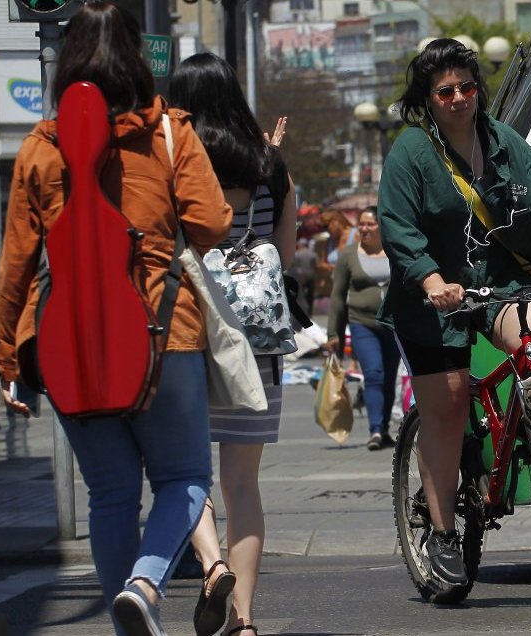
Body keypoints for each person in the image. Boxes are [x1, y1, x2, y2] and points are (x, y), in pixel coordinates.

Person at [0, 4, 233, 636]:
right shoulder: (169, 134)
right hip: (164, 331)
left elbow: (16, 264)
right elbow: (211, 225)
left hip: (65, 340)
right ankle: (147, 582)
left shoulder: (38, 150)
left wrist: (7, 360)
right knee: (183, 477)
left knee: (110, 494)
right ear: (135, 57)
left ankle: (129, 620)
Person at [376, 38, 531, 588]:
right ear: (428, 99)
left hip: (494, 283)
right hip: (430, 294)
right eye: (445, 91)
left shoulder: (503, 141)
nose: (458, 97)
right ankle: (442, 531)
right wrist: (431, 278)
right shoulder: (412, 151)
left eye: (466, 87)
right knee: (451, 400)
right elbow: (397, 223)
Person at [170, 51, 298, 636]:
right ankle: (244, 620)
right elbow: (286, 254)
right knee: (243, 484)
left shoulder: (175, 160)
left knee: (184, 472)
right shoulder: (271, 166)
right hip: (259, 344)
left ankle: (210, 561)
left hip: (190, 335)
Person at [325, 207, 399, 451]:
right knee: (374, 374)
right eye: (362, 224)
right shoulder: (348, 255)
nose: (365, 229)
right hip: (361, 324)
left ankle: (385, 428)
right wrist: (333, 333)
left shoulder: (395, 251)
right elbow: (337, 296)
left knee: (389, 378)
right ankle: (375, 430)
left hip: (394, 324)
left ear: (381, 226)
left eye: (371, 224)